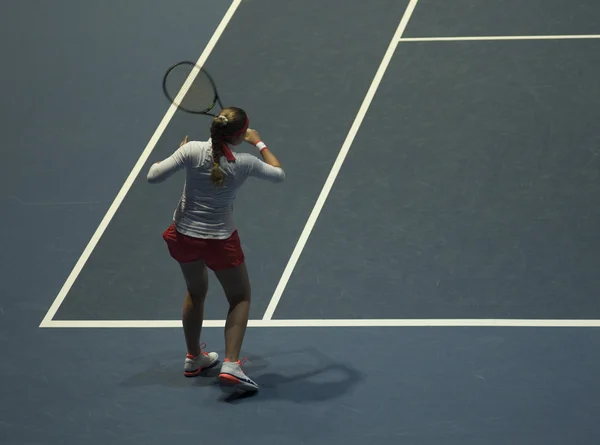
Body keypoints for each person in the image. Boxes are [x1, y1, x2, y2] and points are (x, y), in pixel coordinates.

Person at [146, 106, 285, 392]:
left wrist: (179, 152)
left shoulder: (192, 151)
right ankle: (231, 364)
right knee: (240, 297)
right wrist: (258, 141)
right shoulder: (245, 162)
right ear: (238, 136)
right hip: (220, 241)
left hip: (183, 236)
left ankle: (194, 357)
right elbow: (278, 173)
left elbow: (153, 176)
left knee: (195, 292)